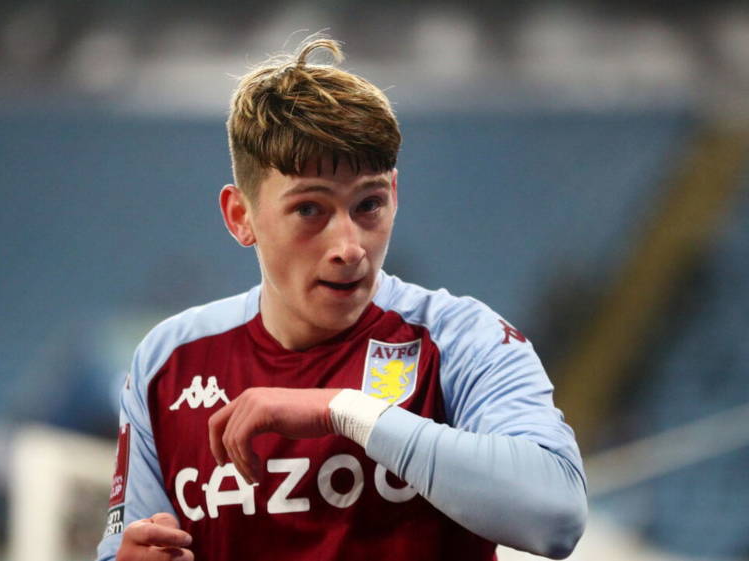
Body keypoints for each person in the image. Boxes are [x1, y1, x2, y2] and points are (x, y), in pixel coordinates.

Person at [96, 35, 587, 561]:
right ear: (240, 216)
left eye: (368, 205)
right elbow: (124, 545)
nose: (349, 248)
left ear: (394, 195)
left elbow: (557, 516)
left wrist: (343, 409)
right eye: (310, 210)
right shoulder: (168, 360)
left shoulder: (462, 339)